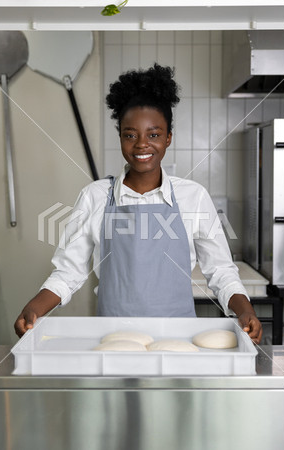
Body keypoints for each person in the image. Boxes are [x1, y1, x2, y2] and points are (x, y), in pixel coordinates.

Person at [14, 64, 262, 344]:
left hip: (177, 343)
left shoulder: (193, 197)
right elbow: (69, 272)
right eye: (130, 134)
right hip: (113, 342)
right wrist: (34, 308)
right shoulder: (94, 197)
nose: (142, 144)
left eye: (154, 134)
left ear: (168, 137)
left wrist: (244, 310)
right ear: (120, 136)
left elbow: (220, 270)